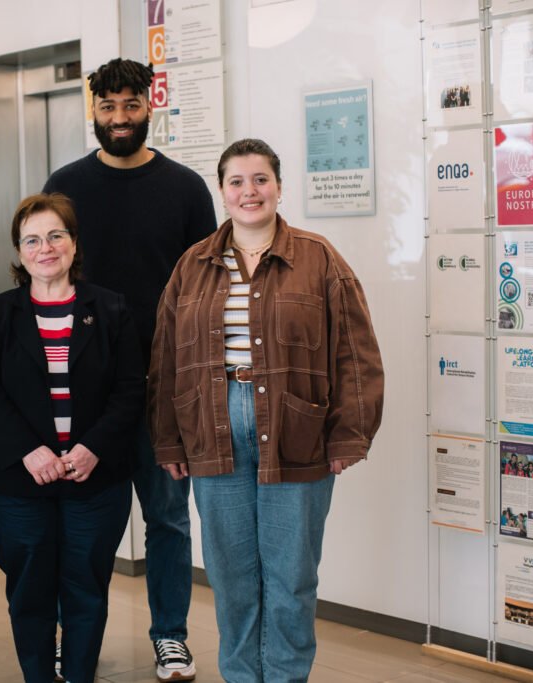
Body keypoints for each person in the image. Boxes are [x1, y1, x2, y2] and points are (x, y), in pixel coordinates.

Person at [148, 138, 385, 681]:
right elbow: (164, 361)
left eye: (260, 179)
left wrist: (350, 435)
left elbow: (357, 353)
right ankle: (240, 675)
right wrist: (167, 440)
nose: (249, 191)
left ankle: (283, 676)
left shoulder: (320, 258)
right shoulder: (192, 265)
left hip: (297, 428)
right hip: (211, 428)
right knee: (231, 575)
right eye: (236, 181)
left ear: (279, 187)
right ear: (222, 190)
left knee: (291, 575)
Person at [42, 57, 216, 682]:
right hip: (83, 388)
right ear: (93, 109)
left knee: (168, 517)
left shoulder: (187, 188)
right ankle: (72, 636)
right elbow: (48, 274)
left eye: (131, 106)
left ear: (151, 106)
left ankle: (170, 635)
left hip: (163, 389)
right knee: (80, 525)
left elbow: (206, 290)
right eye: (108, 107)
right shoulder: (65, 186)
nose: (119, 118)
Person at [0, 193, 143, 683]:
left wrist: (94, 448)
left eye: (55, 235)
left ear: (74, 242)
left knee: (87, 589)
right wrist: (27, 450)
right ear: (20, 252)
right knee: (30, 592)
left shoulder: (110, 308)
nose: (46, 248)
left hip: (95, 479)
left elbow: (131, 389)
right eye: (32, 239)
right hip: (20, 485)